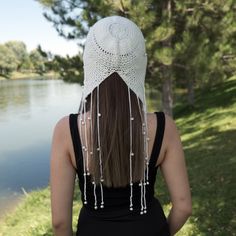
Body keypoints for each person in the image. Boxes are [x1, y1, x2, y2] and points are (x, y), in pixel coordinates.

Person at [50, 15, 192, 236]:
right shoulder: (165, 127)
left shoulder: (66, 130)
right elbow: (183, 207)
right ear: (139, 64)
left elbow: (60, 222)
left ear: (90, 63)